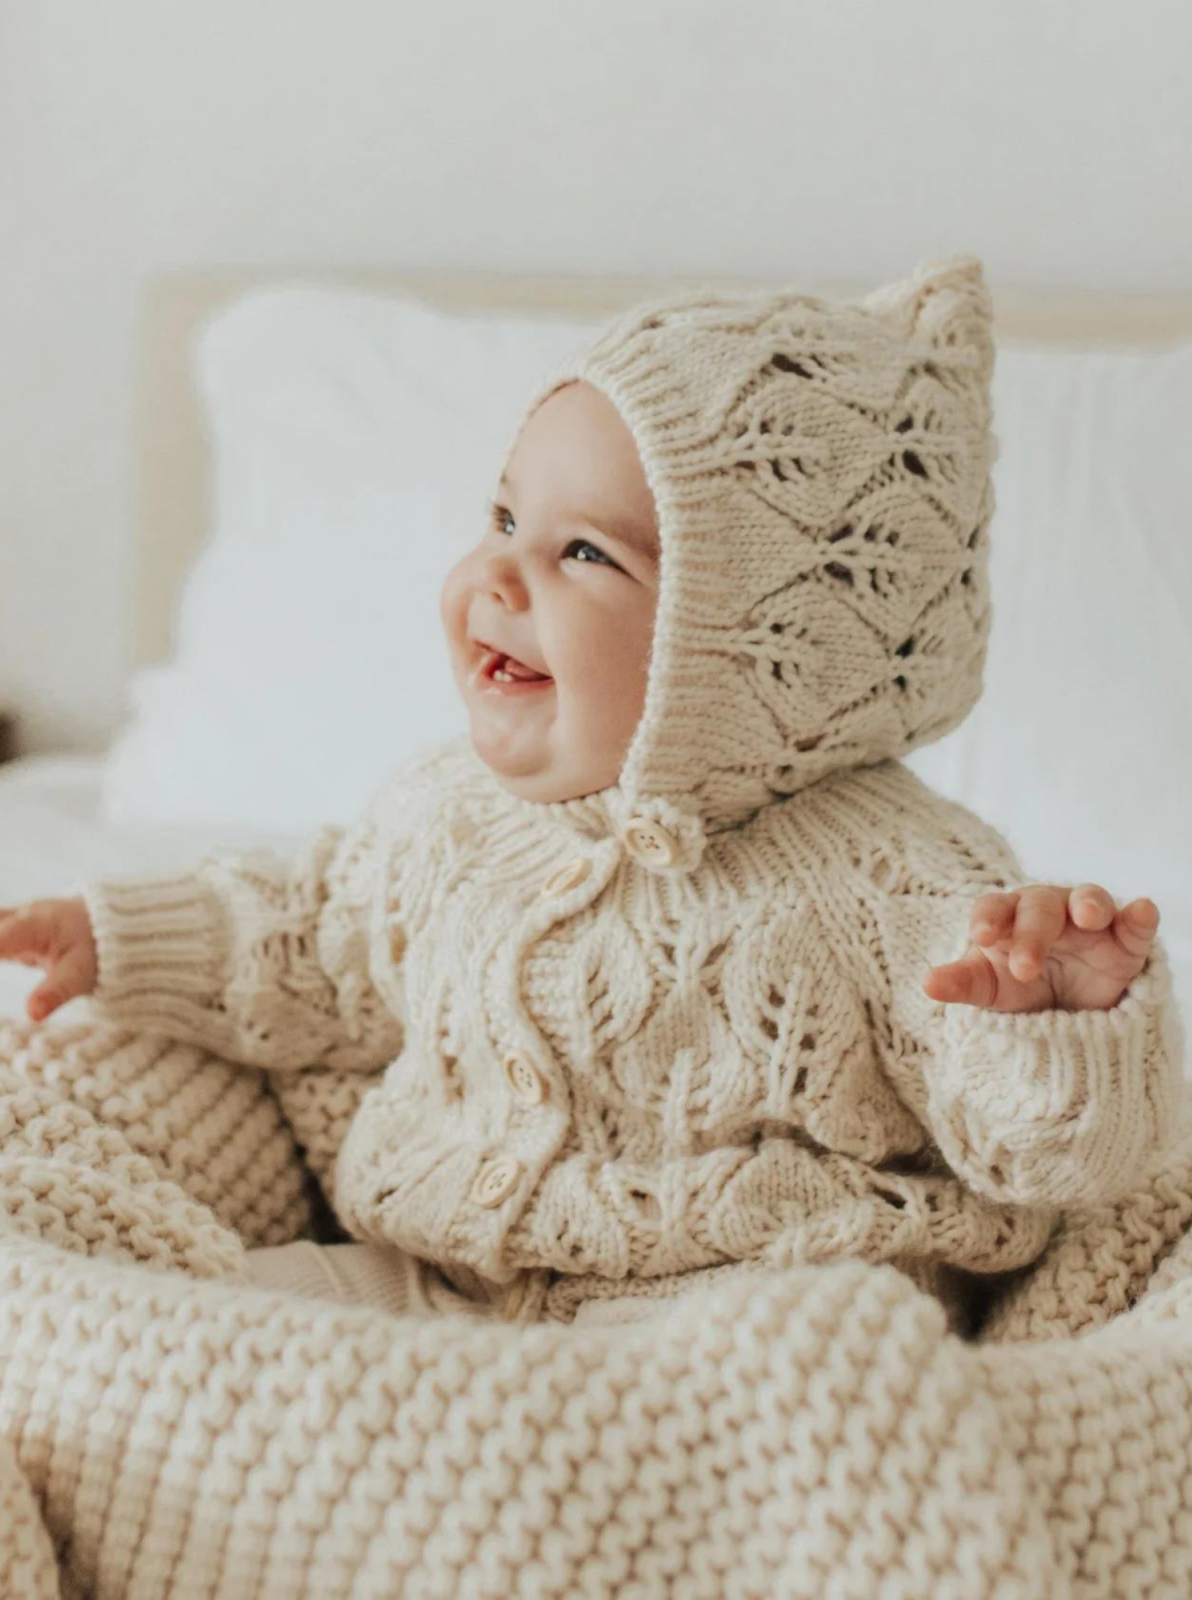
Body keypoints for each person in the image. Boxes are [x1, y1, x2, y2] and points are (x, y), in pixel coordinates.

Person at [0, 255, 1183, 1337]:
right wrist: (120, 936)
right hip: (439, 1279)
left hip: (732, 1314)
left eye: (583, 554)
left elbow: (1041, 1152)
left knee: (804, 1378)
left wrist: (1058, 1024)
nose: (498, 576)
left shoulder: (895, 878)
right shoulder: (445, 811)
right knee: (203, 1327)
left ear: (759, 652)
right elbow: (317, 941)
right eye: (505, 519)